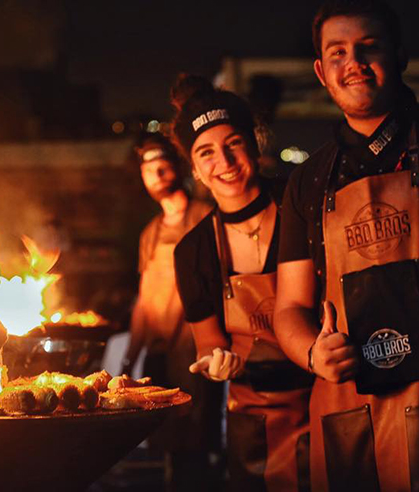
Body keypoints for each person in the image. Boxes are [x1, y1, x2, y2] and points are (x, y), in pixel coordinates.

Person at [274, 1, 419, 490]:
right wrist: (313, 354)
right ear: (321, 71)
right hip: (346, 410)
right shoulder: (308, 180)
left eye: (368, 47)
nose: (353, 63)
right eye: (338, 52)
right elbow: (290, 307)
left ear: (399, 55)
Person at [171, 74, 314, 491]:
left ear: (255, 142)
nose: (226, 163)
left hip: (329, 399)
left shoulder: (302, 207)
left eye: (233, 144)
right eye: (207, 153)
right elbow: (208, 342)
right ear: (195, 170)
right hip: (253, 422)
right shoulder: (193, 251)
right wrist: (217, 361)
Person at [123, 132, 224, 491]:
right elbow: (145, 301)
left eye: (164, 165)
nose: (158, 174)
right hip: (159, 358)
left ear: (179, 167)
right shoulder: (149, 233)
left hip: (197, 355)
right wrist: (128, 360)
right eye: (149, 168)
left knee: (196, 452)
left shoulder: (205, 217)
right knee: (168, 449)